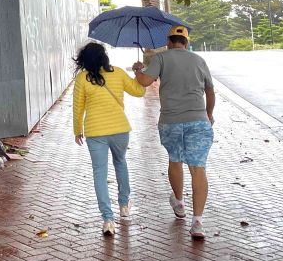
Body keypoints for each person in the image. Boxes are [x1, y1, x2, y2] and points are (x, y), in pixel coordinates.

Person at [133, 25, 215, 240]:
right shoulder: (199, 60)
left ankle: (179, 202)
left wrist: (138, 69)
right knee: (198, 169)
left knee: (175, 160)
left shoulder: (161, 59)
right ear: (186, 43)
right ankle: (197, 222)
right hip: (198, 120)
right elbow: (210, 90)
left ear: (168, 41)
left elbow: (143, 82)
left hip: (170, 121)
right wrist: (209, 114)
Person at [72, 41, 153, 236]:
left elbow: (78, 108)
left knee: (99, 173)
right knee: (120, 163)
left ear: (85, 60)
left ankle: (108, 219)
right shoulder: (117, 72)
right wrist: (138, 71)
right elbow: (140, 91)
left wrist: (77, 130)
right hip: (120, 129)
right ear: (104, 57)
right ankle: (124, 205)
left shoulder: (83, 79)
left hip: (95, 132)